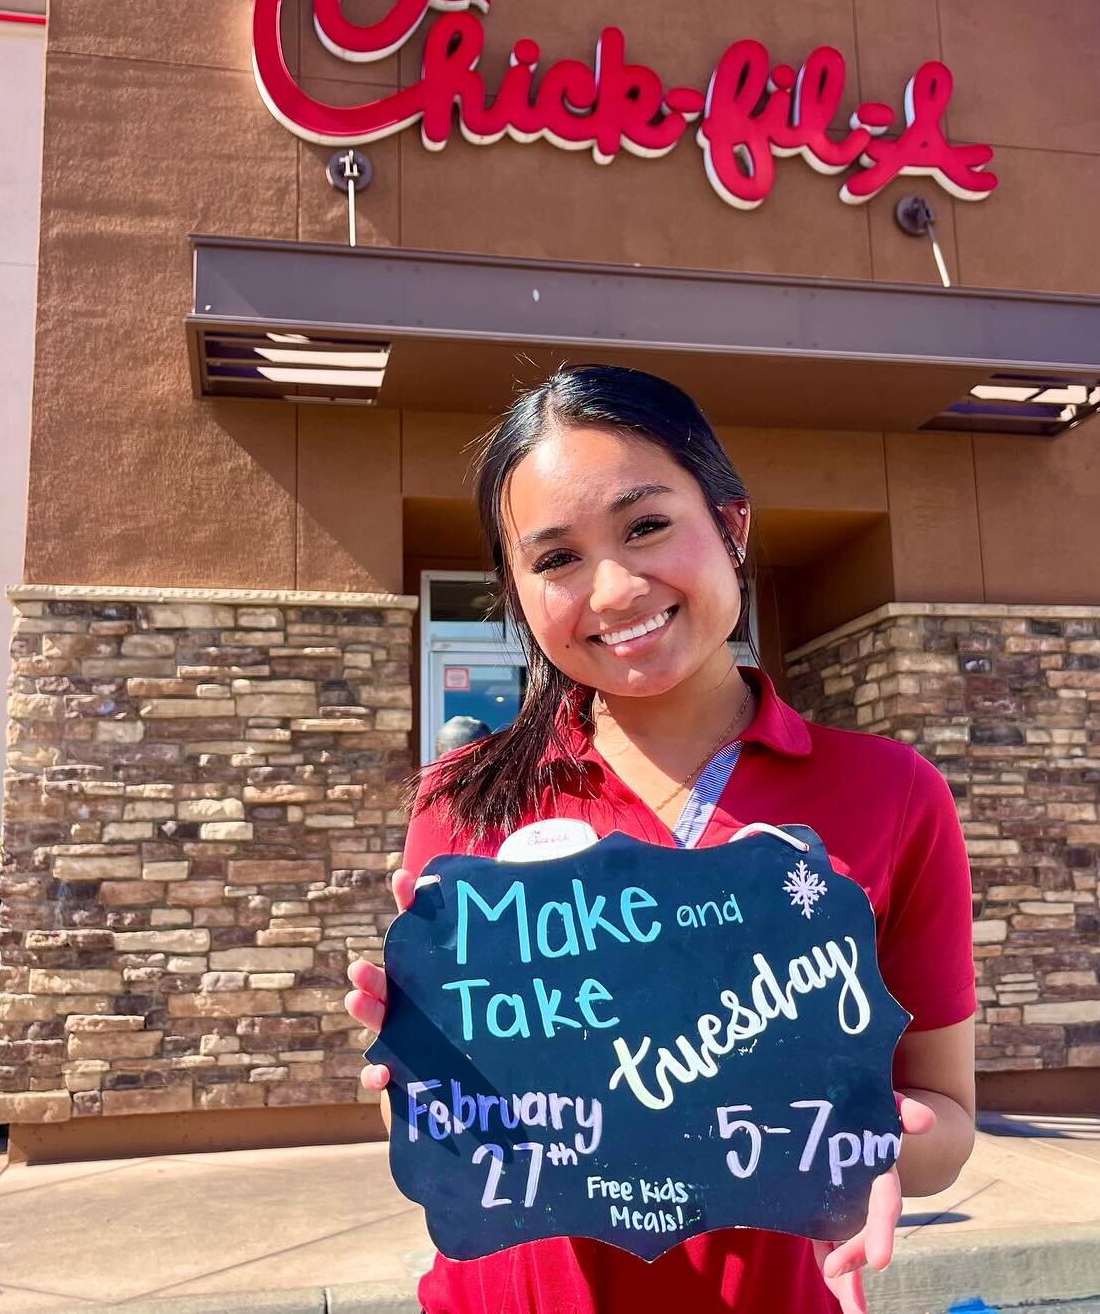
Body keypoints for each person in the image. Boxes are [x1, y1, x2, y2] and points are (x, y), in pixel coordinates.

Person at [346, 364, 976, 1314]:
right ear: (517, 591)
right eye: (555, 559)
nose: (613, 588)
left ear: (731, 524)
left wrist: (875, 1141)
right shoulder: (463, 804)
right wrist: (420, 1075)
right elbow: (460, 1124)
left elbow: (948, 1120)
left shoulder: (891, 794)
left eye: (646, 526)